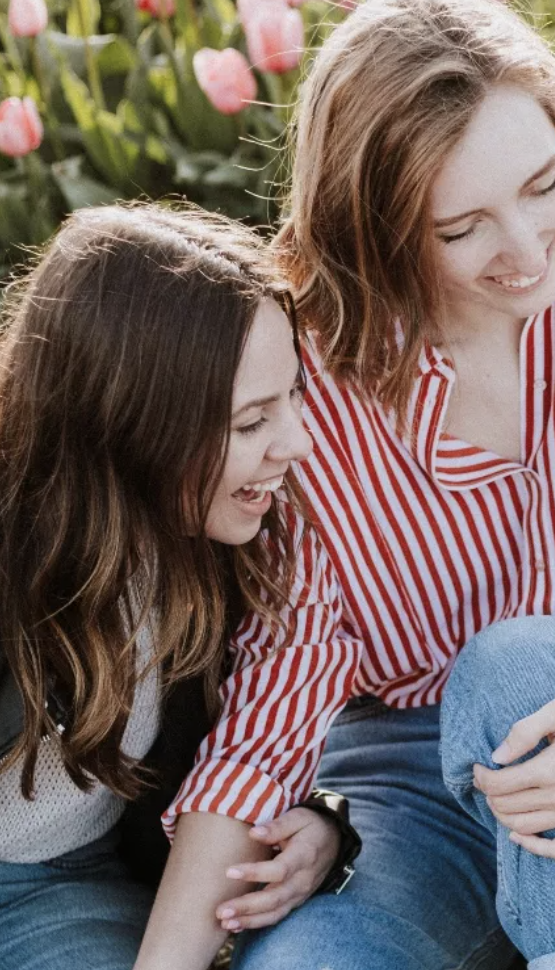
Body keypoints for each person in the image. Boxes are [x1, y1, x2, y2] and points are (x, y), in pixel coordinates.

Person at [199, 0, 555, 967]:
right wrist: (316, 813)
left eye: (545, 184)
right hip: (407, 782)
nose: (526, 248)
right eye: (462, 228)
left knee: (517, 665)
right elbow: (284, 668)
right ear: (373, 234)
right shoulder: (308, 365)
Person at [0, 204, 358, 970]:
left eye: (292, 397)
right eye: (253, 420)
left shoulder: (252, 544)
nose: (297, 442)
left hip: (60, 887)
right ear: (135, 426)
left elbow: (260, 744)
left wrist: (319, 822)